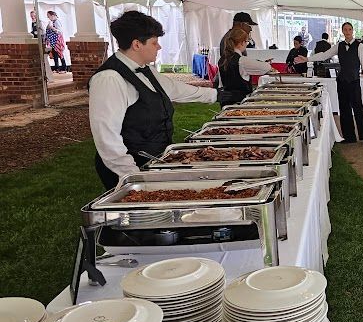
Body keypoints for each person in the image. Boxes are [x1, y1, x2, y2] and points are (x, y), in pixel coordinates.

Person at [89, 11, 218, 189]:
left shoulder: (146, 70)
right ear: (136, 44)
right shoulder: (109, 79)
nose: (159, 47)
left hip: (154, 160)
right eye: (154, 43)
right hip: (127, 168)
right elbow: (107, 137)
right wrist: (133, 177)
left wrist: (216, 95)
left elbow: (175, 89)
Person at [310, 22, 363, 144]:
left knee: (358, 109)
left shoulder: (359, 46)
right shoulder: (339, 46)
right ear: (342, 31)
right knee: (344, 109)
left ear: (352, 31)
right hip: (342, 81)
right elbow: (324, 55)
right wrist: (308, 59)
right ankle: (349, 137)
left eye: (349, 29)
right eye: (345, 29)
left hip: (354, 81)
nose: (347, 32)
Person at [217, 27, 274, 105]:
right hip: (241, 102)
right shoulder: (242, 60)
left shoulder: (222, 59)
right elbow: (266, 67)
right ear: (242, 42)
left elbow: (221, 83)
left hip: (226, 100)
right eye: (247, 41)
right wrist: (264, 63)